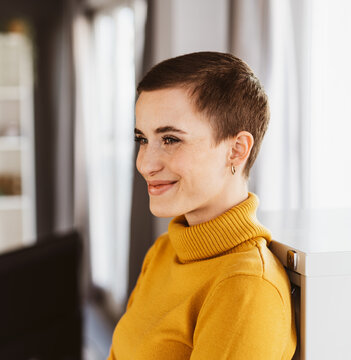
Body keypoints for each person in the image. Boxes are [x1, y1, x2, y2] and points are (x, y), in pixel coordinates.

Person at [108, 52, 297, 359]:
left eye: (170, 139)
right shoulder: (164, 251)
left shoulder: (246, 287)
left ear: (236, 150)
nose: (145, 164)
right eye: (141, 138)